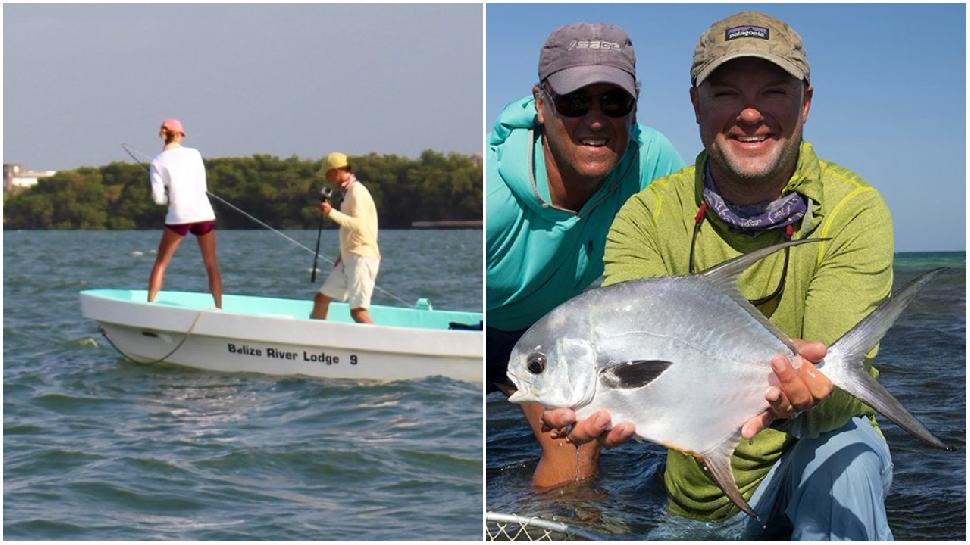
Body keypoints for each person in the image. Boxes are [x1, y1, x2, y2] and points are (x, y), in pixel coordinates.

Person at [545, 11, 896, 540]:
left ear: (805, 103)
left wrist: (803, 388)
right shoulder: (646, 217)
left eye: (774, 92)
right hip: (703, 482)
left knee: (850, 458)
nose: (750, 114)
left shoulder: (854, 209)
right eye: (727, 93)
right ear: (696, 106)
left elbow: (837, 394)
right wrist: (608, 405)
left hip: (821, 441)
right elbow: (628, 351)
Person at [485, 23, 684, 487]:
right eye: (576, 102)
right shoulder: (491, 200)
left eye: (613, 102)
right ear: (541, 104)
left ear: (635, 107)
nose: (596, 120)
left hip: (565, 338)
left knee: (576, 453)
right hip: (486, 329)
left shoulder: (655, 163)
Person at [148, 118, 223, 309]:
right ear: (180, 135)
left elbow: (158, 198)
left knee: (161, 264)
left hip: (179, 216)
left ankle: (150, 305)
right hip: (204, 212)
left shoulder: (157, 161)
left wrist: (168, 198)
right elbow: (202, 186)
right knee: (211, 263)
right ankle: (219, 307)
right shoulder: (194, 154)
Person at [310, 152, 380, 324]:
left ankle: (378, 347)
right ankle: (316, 343)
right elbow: (353, 231)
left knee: (358, 311)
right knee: (320, 299)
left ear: (336, 171)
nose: (327, 178)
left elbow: (360, 225)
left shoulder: (357, 192)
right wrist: (342, 255)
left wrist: (331, 212)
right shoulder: (347, 193)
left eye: (327, 173)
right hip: (349, 258)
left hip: (362, 258)